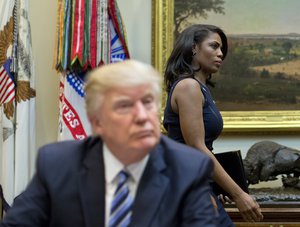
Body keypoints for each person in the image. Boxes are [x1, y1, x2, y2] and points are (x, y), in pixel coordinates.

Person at [1, 60, 218, 227]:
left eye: (147, 102)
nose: (142, 116)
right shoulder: (59, 164)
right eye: (125, 106)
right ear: (97, 122)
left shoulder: (188, 170)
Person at [163, 24, 264, 225]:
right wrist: (238, 195)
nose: (220, 54)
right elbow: (196, 147)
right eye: (214, 46)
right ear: (194, 48)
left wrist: (215, 186)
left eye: (222, 50)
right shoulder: (188, 86)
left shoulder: (200, 88)